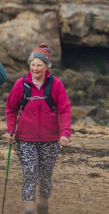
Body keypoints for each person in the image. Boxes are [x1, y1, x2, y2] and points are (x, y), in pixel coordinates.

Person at [5, 43, 71, 214]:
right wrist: (11, 130)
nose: (35, 68)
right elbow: (11, 109)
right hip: (25, 138)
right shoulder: (21, 84)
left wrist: (65, 133)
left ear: (46, 66)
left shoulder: (56, 85)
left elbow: (64, 110)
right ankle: (29, 210)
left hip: (50, 140)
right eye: (32, 64)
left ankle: (42, 207)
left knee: (45, 177)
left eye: (39, 65)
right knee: (29, 173)